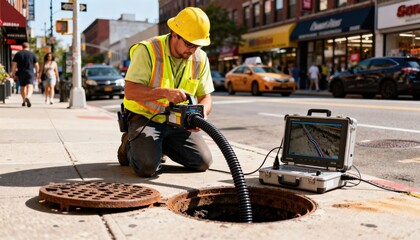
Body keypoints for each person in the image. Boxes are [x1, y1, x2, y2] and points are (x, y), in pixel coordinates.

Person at [117, 7, 214, 178]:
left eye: (197, 45)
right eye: (189, 44)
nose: (192, 50)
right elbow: (130, 91)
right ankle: (128, 144)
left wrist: (202, 114)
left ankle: (159, 145)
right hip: (146, 118)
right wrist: (163, 93)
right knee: (147, 168)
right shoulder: (148, 50)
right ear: (175, 34)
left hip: (177, 122)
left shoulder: (200, 58)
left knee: (202, 162)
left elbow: (206, 96)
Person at [11, 42, 39, 107]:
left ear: (22, 47)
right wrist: (37, 73)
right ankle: (28, 96)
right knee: (30, 85)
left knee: (22, 87)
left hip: (21, 73)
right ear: (28, 47)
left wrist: (13, 73)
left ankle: (24, 101)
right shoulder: (32, 54)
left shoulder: (18, 54)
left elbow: (14, 65)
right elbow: (37, 65)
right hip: (30, 72)